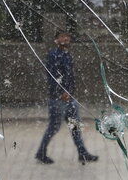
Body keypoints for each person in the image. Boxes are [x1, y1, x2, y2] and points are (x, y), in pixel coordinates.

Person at [35, 32, 98, 165]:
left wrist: (70, 92)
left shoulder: (66, 55)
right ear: (56, 40)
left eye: (68, 36)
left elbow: (69, 76)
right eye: (62, 36)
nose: (66, 38)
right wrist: (60, 93)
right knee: (54, 127)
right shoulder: (53, 55)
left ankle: (82, 153)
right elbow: (52, 75)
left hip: (70, 98)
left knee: (75, 126)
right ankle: (41, 153)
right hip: (58, 99)